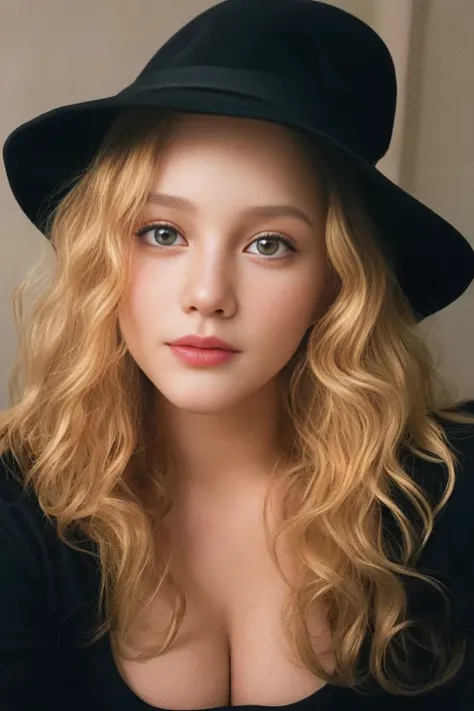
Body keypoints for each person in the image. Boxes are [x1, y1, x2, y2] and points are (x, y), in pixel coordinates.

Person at [1, 1, 474, 709]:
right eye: (162, 232)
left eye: (269, 243)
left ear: (336, 282)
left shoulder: (444, 500)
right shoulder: (18, 511)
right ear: (104, 253)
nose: (208, 293)